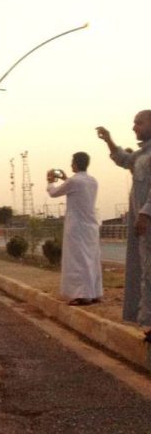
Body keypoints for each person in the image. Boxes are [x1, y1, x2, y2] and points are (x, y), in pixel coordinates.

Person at [97, 110, 151, 337]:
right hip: (144, 227)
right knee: (145, 271)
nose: (134, 127)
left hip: (147, 221)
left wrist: (145, 213)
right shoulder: (142, 154)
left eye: (139, 122)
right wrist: (109, 140)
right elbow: (123, 159)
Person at [46, 152, 102, 306]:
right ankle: (94, 292)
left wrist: (50, 181)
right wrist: (66, 179)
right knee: (92, 260)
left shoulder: (74, 181)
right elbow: (76, 189)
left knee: (78, 261)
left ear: (76, 164)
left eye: (72, 162)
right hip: (91, 226)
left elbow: (54, 193)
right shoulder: (92, 181)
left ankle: (81, 295)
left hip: (77, 226)